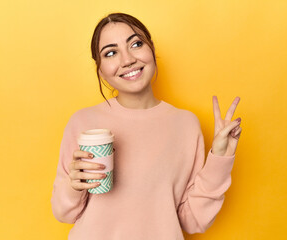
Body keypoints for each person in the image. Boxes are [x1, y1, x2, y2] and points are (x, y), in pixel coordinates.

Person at [51, 12, 242, 240]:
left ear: (151, 49)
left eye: (136, 44)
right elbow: (64, 212)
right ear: (100, 69)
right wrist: (74, 186)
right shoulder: (83, 123)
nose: (127, 59)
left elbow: (192, 220)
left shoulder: (186, 124)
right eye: (111, 53)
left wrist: (219, 159)